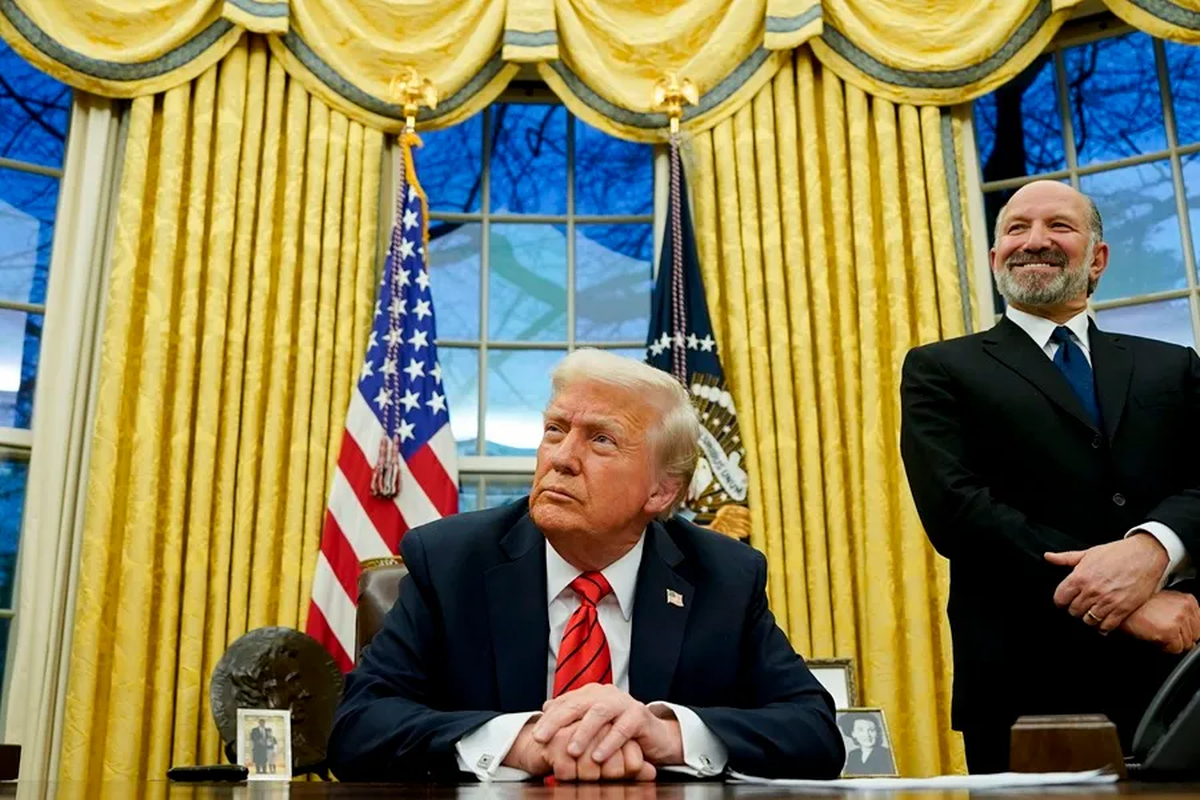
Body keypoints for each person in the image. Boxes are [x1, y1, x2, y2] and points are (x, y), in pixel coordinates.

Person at [329, 349, 844, 782]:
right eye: (555, 429)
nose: (561, 457)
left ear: (662, 490)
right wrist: (522, 742)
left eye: (601, 439)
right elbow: (358, 729)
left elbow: (814, 730)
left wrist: (661, 733)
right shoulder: (451, 561)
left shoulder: (722, 576)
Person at [900, 180, 1200, 773]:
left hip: (1177, 679)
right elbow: (959, 513)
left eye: (1059, 226)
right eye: (1016, 228)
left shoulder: (1173, 365)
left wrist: (1151, 551)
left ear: (1098, 258)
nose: (1035, 241)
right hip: (1023, 691)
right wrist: (1122, 600)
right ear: (995, 259)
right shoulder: (940, 369)